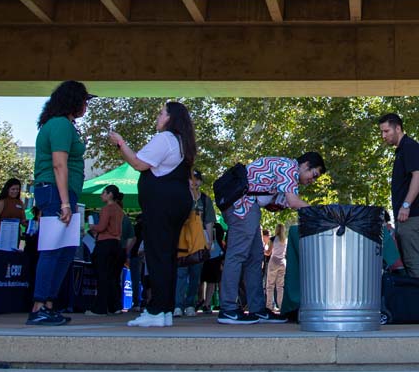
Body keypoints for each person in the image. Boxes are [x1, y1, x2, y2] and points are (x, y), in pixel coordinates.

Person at [110, 101, 197, 328]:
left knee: (158, 255)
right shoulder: (182, 143)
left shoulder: (166, 139)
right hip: (177, 202)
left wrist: (120, 143)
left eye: (161, 114)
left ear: (171, 118)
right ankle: (165, 309)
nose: (157, 118)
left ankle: (156, 309)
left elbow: (139, 163)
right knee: (167, 256)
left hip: (162, 203)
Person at [218, 151, 326, 325]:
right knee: (237, 255)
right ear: (305, 165)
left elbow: (282, 203)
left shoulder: (285, 170)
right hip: (243, 205)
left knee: (255, 258)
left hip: (248, 206)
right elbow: (293, 201)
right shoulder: (289, 168)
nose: (312, 180)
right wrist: (322, 214)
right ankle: (228, 309)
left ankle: (257, 308)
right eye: (313, 175)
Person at [26, 80, 92, 326]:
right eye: (84, 101)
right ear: (73, 101)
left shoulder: (64, 125)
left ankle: (49, 304)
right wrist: (65, 202)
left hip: (64, 193)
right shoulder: (60, 125)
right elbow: (59, 164)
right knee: (53, 248)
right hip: (56, 193)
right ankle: (39, 305)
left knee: (65, 251)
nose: (86, 106)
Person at [379, 113, 419, 279]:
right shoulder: (401, 150)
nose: (383, 136)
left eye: (386, 131)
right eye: (382, 132)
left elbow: (418, 175)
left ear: (398, 128)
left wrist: (406, 205)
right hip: (405, 216)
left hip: (412, 214)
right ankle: (413, 300)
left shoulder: (410, 146)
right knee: (406, 262)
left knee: (411, 261)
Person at [176, 171, 215, 317]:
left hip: (199, 242)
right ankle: (178, 305)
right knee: (180, 273)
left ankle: (190, 304)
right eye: (191, 179)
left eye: (197, 179)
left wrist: (209, 240)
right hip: (182, 241)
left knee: (195, 274)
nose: (194, 182)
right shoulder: (180, 197)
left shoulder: (205, 200)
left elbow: (209, 221)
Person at [88, 185, 125, 316]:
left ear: (110, 195)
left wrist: (93, 226)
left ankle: (100, 308)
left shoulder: (106, 209)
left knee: (102, 276)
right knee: (113, 277)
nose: (101, 195)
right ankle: (115, 306)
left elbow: (102, 226)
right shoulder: (120, 210)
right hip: (117, 244)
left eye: (103, 193)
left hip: (105, 244)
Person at [0, 178, 27, 248]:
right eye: (13, 189)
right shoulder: (2, 202)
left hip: (14, 236)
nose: (15, 191)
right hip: (1, 235)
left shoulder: (20, 203)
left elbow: (23, 221)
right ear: (7, 189)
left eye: (17, 189)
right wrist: (5, 230)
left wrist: (32, 224)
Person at [266, 224, 288, 314]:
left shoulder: (272, 239)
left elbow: (268, 252)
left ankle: (269, 305)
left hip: (274, 261)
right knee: (280, 286)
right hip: (282, 262)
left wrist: (264, 251)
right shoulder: (285, 240)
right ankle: (281, 305)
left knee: (270, 285)